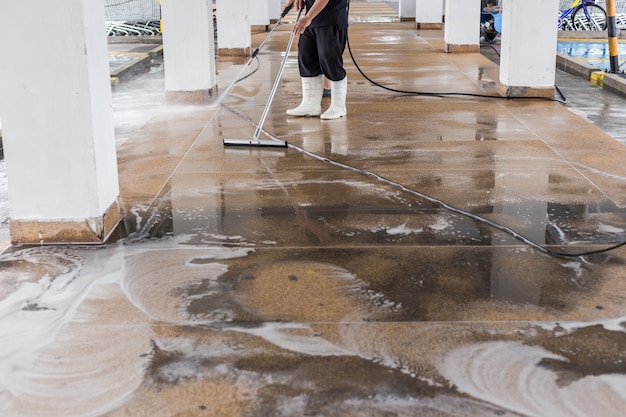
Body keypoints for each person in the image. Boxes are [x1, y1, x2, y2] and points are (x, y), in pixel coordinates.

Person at [284, 0, 349, 120]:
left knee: (330, 61)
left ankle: (339, 107)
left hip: (331, 19)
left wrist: (308, 17)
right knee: (306, 58)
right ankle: (310, 104)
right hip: (312, 20)